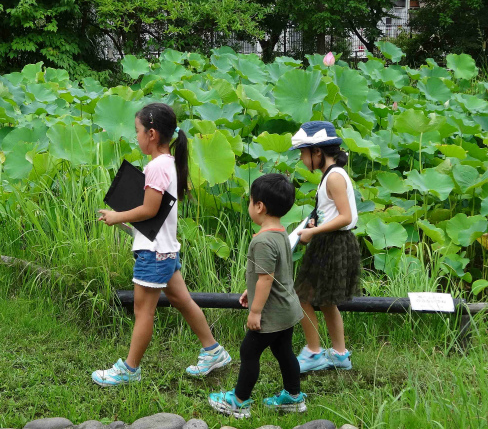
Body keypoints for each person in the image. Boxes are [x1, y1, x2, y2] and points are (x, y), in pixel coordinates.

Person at [92, 102, 231, 386]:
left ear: (152, 134)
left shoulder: (156, 166)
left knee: (143, 311)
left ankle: (129, 370)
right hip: (166, 249)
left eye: (138, 131)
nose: (137, 136)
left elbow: (150, 210)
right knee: (182, 300)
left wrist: (118, 215)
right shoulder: (169, 163)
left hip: (154, 254)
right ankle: (213, 351)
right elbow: (154, 213)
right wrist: (124, 220)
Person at [208, 174, 306, 419]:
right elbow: (271, 274)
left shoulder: (262, 241)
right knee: (284, 352)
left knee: (248, 352)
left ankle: (239, 401)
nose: (249, 205)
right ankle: (293, 398)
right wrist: (249, 292)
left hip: (270, 314)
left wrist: (255, 311)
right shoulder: (281, 233)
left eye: (250, 201)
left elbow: (265, 279)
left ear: (259, 206)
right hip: (287, 308)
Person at [291, 121, 360, 373]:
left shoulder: (334, 178)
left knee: (302, 296)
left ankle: (313, 352)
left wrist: (312, 231)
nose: (301, 159)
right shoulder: (331, 175)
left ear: (317, 152)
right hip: (330, 241)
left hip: (332, 243)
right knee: (328, 301)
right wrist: (315, 220)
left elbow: (346, 216)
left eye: (303, 153)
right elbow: (332, 213)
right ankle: (339, 354)